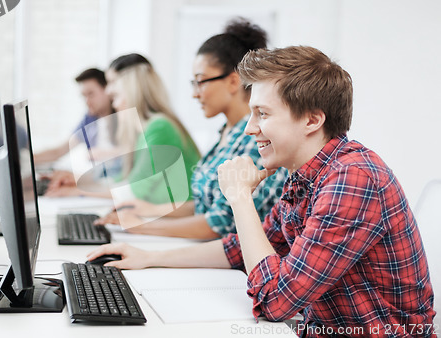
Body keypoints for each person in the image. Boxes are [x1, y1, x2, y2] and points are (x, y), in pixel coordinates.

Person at [87, 46, 436, 336]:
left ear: (312, 120)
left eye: (262, 114)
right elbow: (240, 249)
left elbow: (275, 301)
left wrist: (240, 198)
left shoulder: (353, 179)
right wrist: (149, 258)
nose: (251, 128)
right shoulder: (305, 173)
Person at [95, 18, 288, 240]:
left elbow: (219, 224)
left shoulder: (255, 140)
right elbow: (202, 205)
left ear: (233, 82)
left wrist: (140, 225)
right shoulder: (225, 134)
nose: (195, 93)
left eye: (200, 81)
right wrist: (148, 210)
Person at [46, 54, 201, 207]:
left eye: (112, 82)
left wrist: (77, 190)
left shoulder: (159, 127)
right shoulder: (148, 128)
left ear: (131, 85)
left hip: (175, 222)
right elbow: (124, 179)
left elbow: (133, 191)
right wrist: (80, 181)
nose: (108, 91)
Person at [34, 68, 112, 164]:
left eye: (91, 94)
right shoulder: (89, 119)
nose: (87, 102)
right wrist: (28, 160)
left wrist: (106, 153)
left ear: (107, 89)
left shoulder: (123, 115)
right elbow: (59, 151)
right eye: (84, 96)